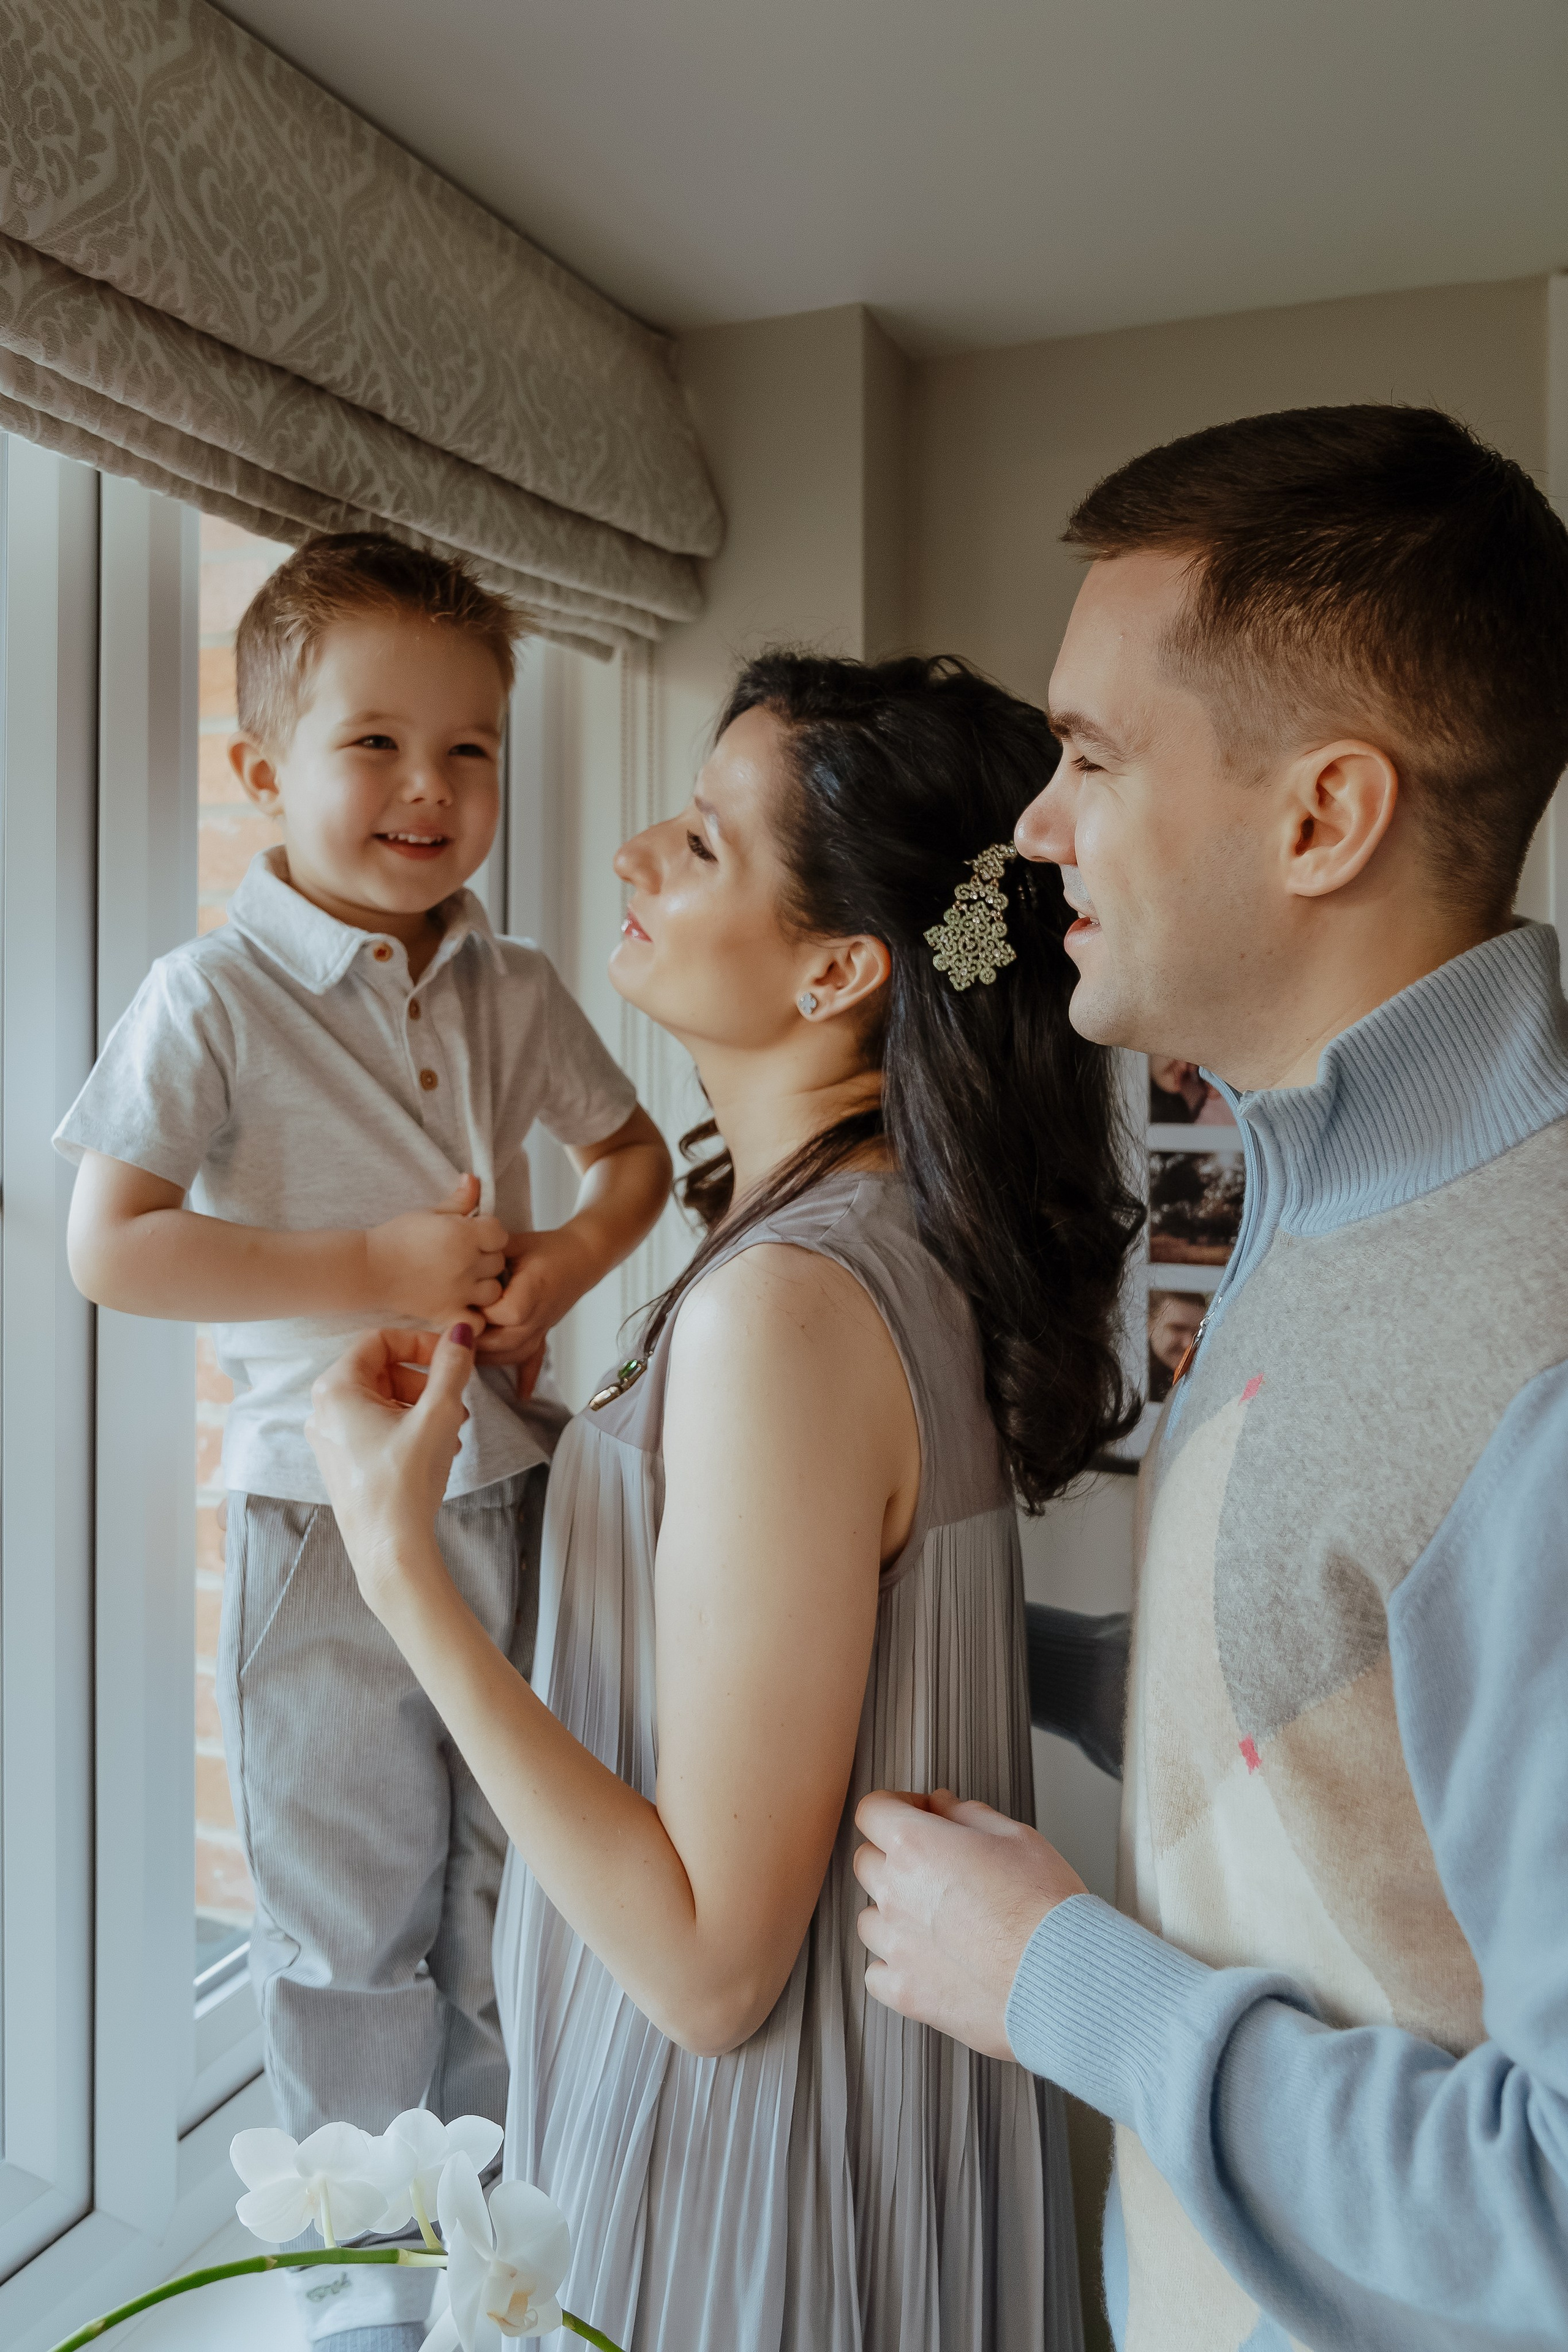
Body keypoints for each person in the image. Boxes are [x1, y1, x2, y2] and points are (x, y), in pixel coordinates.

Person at [302, 650, 1145, 2350]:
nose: (629, 853)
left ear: (840, 967)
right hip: (856, 2133)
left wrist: (399, 1570)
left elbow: (705, 1970)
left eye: (697, 841)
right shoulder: (889, 1233)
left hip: (753, 2171)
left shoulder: (791, 1303)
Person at [853, 404, 1568, 2351]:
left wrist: (1056, 1982)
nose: (1035, 831)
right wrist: (1037, 1666)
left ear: (1324, 816)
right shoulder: (1318, 1186)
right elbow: (1373, 1691)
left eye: (1088, 757)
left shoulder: (1537, 1349)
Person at [55, 534, 671, 2352]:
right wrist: (372, 1263)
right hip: (322, 1528)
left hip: (520, 1502)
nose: (429, 790)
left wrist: (559, 1261)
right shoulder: (210, 998)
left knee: (511, 1900)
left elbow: (637, 1161)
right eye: (376, 746)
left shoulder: (516, 984)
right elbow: (112, 1246)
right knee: (346, 1923)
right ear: (261, 773)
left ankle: (496, 2268)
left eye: (471, 750)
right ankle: (358, 2300)